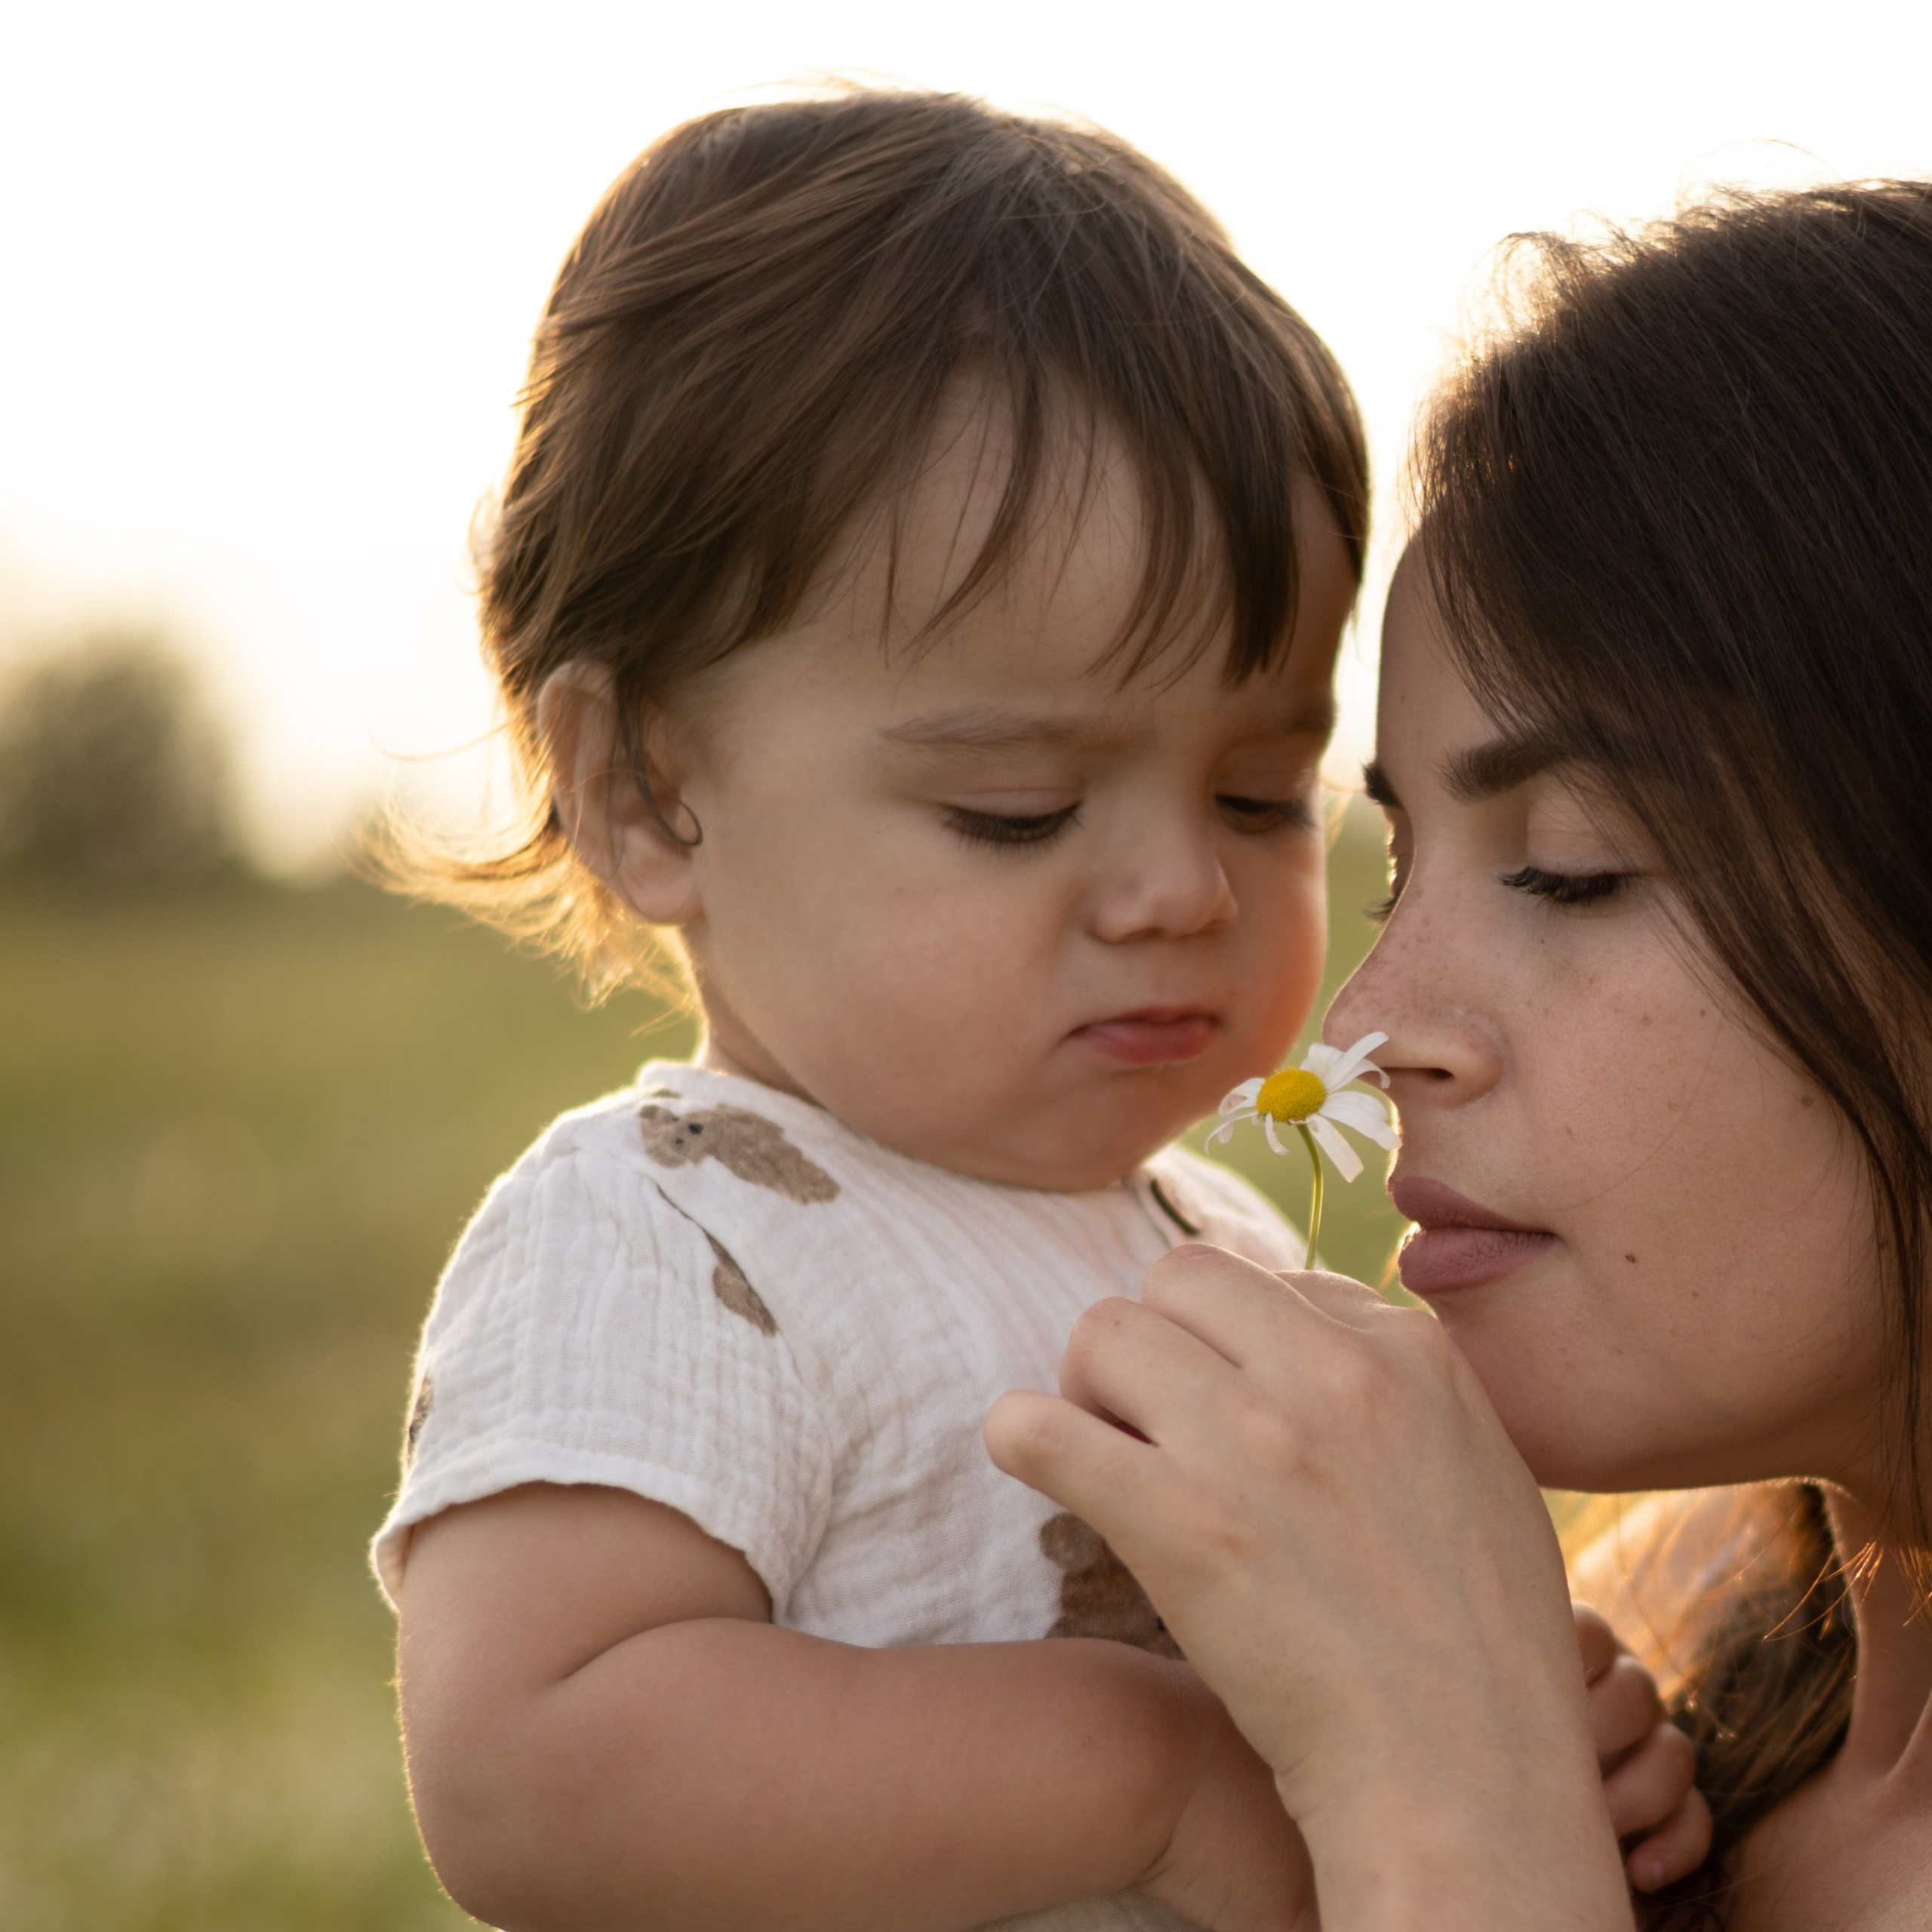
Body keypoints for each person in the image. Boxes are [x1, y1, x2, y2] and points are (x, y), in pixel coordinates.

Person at [371, 88, 1703, 1932]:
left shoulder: (1218, 1244)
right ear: (643, 793)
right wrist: (1149, 1771)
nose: (1180, 889)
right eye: (1016, 807)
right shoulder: (667, 1228)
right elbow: (533, 1758)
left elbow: (1346, 1645)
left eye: (1257, 796)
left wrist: (1507, 1715)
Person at [988, 179, 1932, 1930]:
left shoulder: (1512, 1719)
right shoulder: (1664, 1660)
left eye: (1570, 861)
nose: (1359, 1030)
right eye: (1399, 863)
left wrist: (1445, 1788)